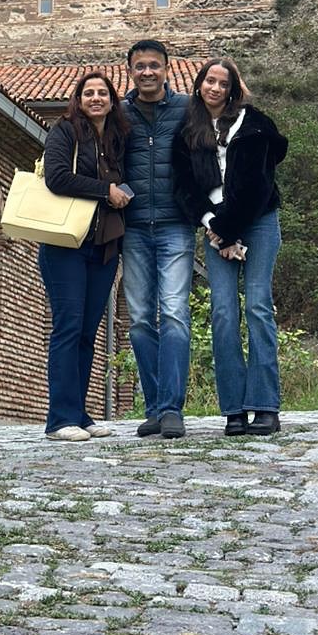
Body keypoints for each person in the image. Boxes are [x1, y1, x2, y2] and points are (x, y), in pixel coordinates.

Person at [173, 58, 289, 436]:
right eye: (210, 81)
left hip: (258, 220)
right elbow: (184, 187)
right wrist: (213, 226)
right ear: (199, 85)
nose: (216, 88)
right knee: (224, 313)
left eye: (224, 83)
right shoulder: (189, 131)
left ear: (233, 89)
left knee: (257, 306)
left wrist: (228, 230)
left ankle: (265, 406)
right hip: (214, 226)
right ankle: (234, 409)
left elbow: (258, 184)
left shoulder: (254, 125)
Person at [40, 71, 132, 442]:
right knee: (68, 327)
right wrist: (105, 191)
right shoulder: (65, 132)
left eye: (103, 93)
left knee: (88, 332)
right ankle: (59, 419)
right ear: (78, 99)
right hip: (66, 245)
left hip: (103, 246)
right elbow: (57, 178)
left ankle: (78, 412)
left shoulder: (117, 138)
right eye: (88, 93)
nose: (96, 98)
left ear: (112, 100)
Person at [121, 39, 192, 439]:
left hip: (175, 224)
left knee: (175, 314)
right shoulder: (120, 113)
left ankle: (172, 408)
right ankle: (155, 408)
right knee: (141, 320)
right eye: (140, 66)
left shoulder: (186, 109)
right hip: (132, 227)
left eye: (154, 66)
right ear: (130, 70)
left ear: (167, 69)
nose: (147, 72)